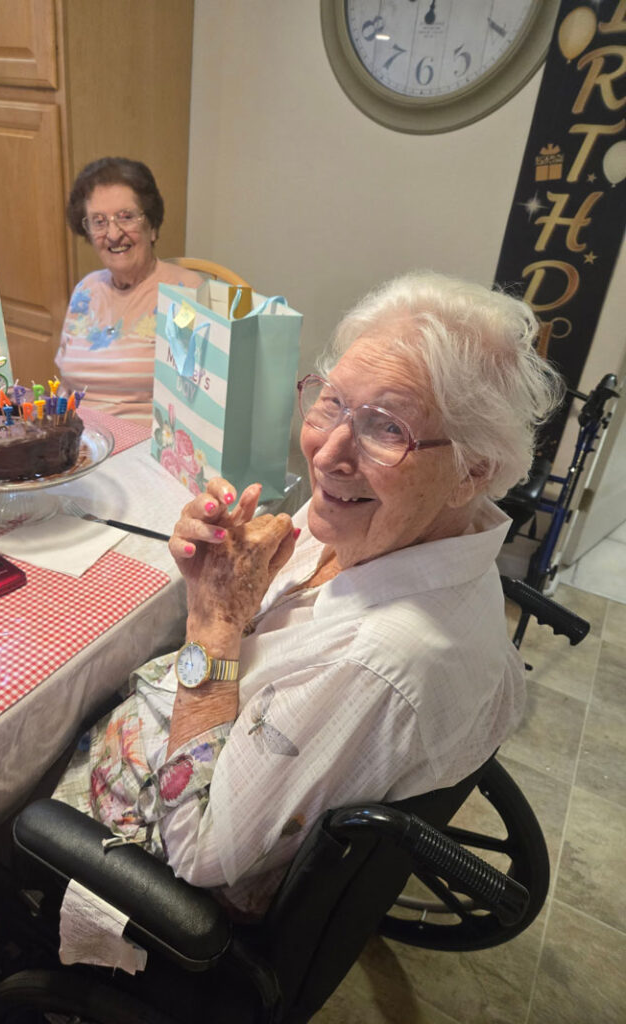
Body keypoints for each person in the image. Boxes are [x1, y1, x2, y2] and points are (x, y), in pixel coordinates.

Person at [55, 271, 564, 917]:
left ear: (473, 471)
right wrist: (230, 577)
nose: (327, 454)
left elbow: (199, 852)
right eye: (332, 402)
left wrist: (213, 624)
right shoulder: (400, 526)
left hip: (140, 856)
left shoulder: (377, 661)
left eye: (387, 428)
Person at [56, 157, 203, 423]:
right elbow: (65, 386)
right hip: (79, 438)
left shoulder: (185, 296)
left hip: (145, 443)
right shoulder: (85, 290)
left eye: (126, 217)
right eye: (99, 221)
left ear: (152, 227)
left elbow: (196, 401)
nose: (113, 234)